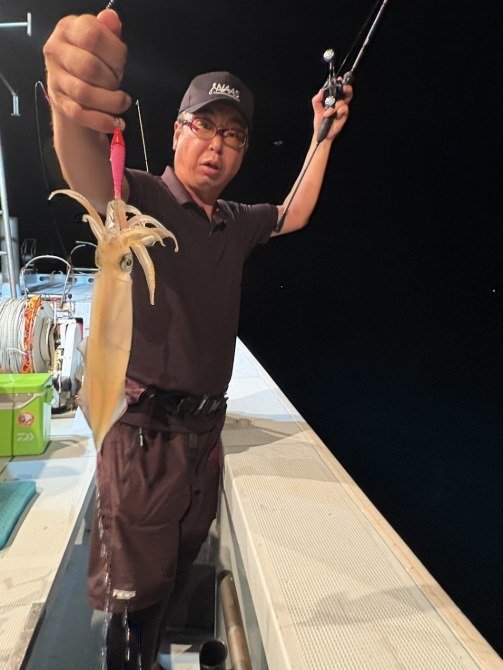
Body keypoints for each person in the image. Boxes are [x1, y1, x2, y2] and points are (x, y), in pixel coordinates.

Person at [43, 8, 353, 669]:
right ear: (178, 131)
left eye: (233, 135)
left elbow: (294, 211)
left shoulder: (236, 222)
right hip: (142, 436)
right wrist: (70, 110)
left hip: (204, 439)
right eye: (204, 127)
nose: (217, 145)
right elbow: (87, 177)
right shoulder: (141, 198)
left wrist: (321, 135)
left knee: (173, 581)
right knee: (129, 608)